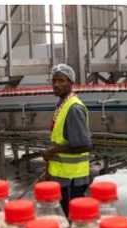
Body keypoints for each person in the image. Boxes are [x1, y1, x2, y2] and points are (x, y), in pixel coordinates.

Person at [42, 64, 92, 212]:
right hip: (62, 175)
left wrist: (53, 150)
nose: (56, 84)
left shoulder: (74, 108)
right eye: (54, 81)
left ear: (71, 83)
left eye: (61, 81)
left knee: (72, 219)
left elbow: (85, 145)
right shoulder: (62, 105)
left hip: (72, 179)